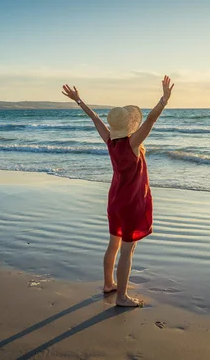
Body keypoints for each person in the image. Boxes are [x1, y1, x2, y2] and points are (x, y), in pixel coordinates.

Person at [62, 75, 174, 307]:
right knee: (127, 250)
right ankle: (122, 296)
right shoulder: (132, 144)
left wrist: (79, 100)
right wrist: (164, 99)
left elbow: (95, 118)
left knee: (113, 244)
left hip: (115, 200)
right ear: (130, 125)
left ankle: (108, 284)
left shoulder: (110, 142)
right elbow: (151, 120)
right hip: (131, 202)